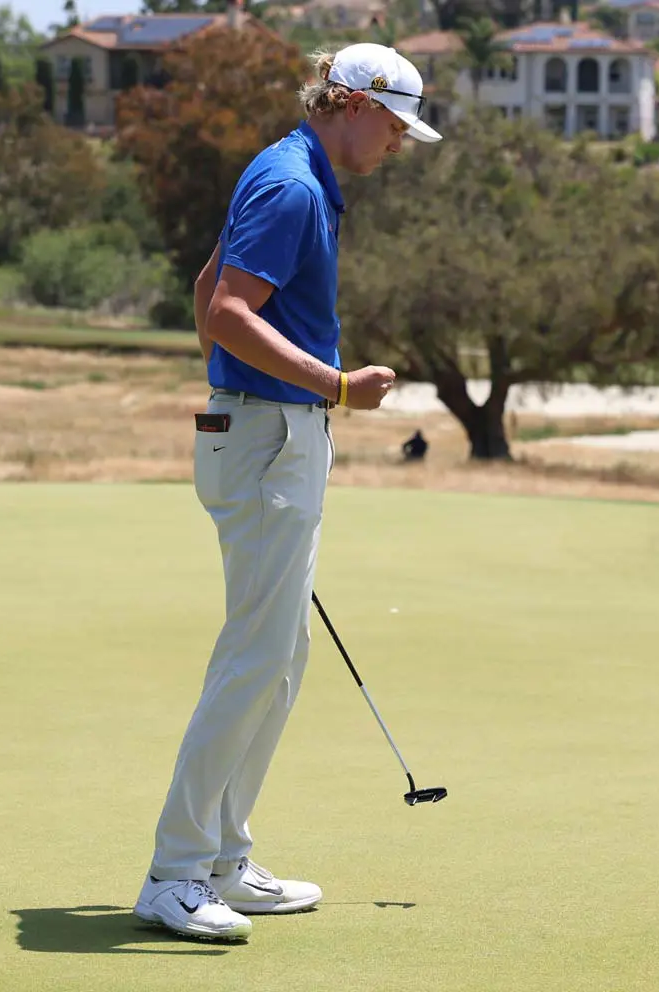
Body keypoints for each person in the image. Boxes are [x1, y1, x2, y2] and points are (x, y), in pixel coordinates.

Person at [133, 42, 442, 943]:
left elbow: (209, 293)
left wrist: (235, 377)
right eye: (391, 126)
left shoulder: (287, 170)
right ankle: (176, 871)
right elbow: (229, 309)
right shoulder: (296, 185)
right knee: (255, 658)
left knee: (283, 655)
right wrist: (335, 387)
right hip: (271, 438)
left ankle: (223, 855)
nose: (396, 145)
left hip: (268, 432)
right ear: (348, 102)